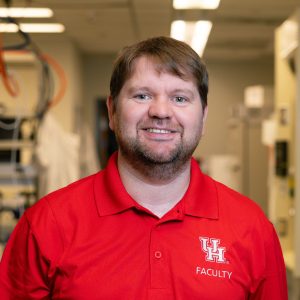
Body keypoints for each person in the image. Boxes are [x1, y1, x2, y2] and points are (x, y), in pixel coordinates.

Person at [0, 36, 288, 299]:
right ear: (112, 112)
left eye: (180, 98)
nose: (161, 111)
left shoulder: (252, 229)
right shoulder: (46, 224)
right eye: (142, 96)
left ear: (203, 118)